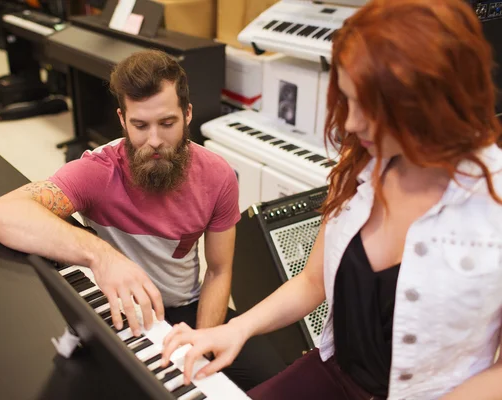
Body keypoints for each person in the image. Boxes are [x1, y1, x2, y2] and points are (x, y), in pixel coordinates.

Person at [160, 0, 502, 398]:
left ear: (430, 103)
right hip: (332, 374)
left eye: (370, 108)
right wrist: (235, 328)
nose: (353, 124)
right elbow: (311, 281)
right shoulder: (363, 168)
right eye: (348, 101)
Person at [0, 49, 285, 390]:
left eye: (167, 123)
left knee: (276, 381)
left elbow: (218, 271)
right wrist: (102, 255)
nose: (154, 141)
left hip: (186, 308)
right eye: (140, 125)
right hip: (119, 311)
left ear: (187, 114)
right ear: (122, 119)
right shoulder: (98, 170)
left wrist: (199, 344)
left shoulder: (218, 176)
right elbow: (0, 213)